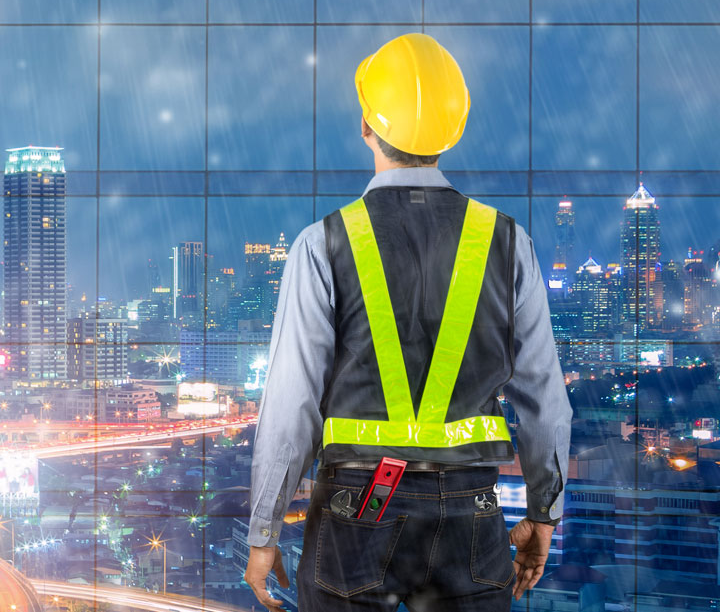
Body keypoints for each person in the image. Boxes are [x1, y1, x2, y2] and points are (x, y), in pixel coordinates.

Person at [242, 33, 571, 612]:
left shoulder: (324, 245)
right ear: (454, 130)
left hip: (355, 513)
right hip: (472, 513)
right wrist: (544, 514)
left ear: (367, 124)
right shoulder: (507, 243)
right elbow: (545, 400)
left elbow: (292, 404)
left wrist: (264, 532)